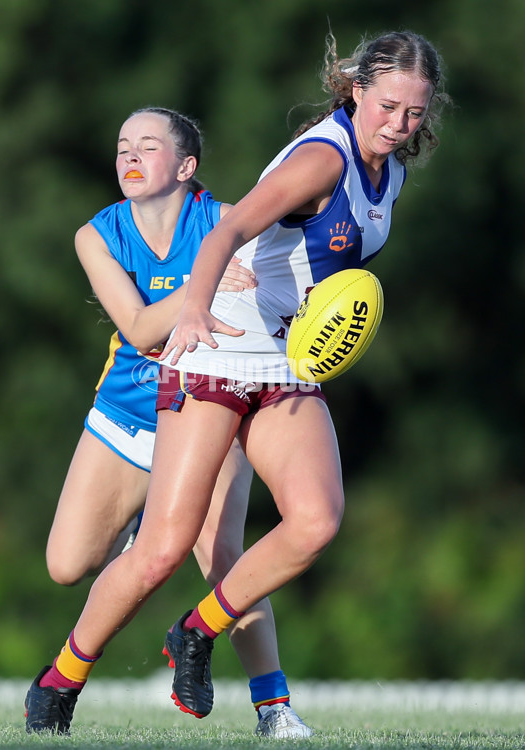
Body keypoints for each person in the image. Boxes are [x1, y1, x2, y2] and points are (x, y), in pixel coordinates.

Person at [27, 28, 450, 732]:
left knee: (316, 521)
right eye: (387, 106)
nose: (399, 124)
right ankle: (60, 680)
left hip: (283, 358)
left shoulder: (392, 174)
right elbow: (226, 235)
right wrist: (191, 311)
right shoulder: (322, 158)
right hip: (221, 344)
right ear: (355, 91)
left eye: (414, 111)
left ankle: (195, 631)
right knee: (164, 549)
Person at [25, 107, 312, 739]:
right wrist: (204, 286)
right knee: (67, 566)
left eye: (148, 146)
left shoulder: (230, 222)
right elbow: (135, 327)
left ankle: (274, 708)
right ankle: (140, 526)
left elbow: (287, 300)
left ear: (186, 167)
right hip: (129, 411)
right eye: (123, 144)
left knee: (227, 560)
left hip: (210, 401)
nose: (129, 155)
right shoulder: (96, 235)